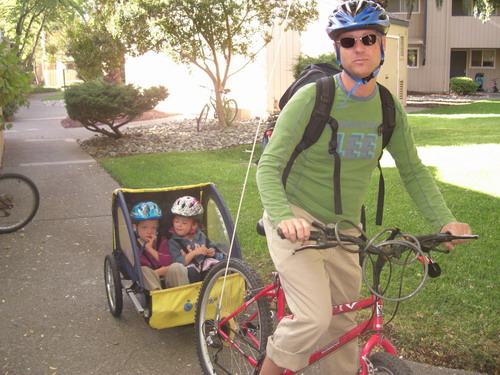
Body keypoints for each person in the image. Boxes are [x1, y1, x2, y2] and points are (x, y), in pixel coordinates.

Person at [255, 1, 472, 374]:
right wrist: (285, 216)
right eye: (348, 40)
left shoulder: (388, 108)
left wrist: (445, 220)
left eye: (368, 38)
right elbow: (269, 166)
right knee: (314, 317)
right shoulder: (314, 98)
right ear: (337, 49)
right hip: (298, 221)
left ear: (382, 45)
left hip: (345, 229)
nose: (359, 47)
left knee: (343, 322)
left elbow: (414, 171)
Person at [130, 201, 189, 291]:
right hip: (149, 281)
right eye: (144, 227)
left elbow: (169, 261)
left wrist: (150, 249)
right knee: (143, 270)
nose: (149, 231)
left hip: (168, 278)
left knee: (177, 266)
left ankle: (183, 296)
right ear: (135, 227)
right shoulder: (133, 246)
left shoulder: (162, 241)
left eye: (153, 227)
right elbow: (134, 271)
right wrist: (158, 272)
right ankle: (159, 299)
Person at [168, 196, 220, 283]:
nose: (179, 225)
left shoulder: (200, 235)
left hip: (205, 265)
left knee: (216, 268)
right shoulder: (173, 242)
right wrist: (194, 253)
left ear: (194, 226)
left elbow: (210, 245)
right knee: (192, 273)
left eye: (184, 222)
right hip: (189, 270)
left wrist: (212, 251)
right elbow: (177, 262)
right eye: (176, 221)